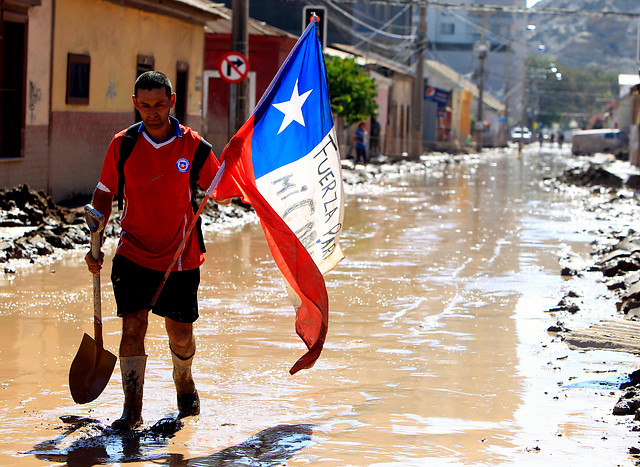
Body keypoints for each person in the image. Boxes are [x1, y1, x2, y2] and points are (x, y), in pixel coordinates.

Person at [85, 71, 227, 430]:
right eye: (145, 106)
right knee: (132, 327)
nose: (152, 112)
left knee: (180, 333)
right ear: (135, 104)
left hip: (181, 255)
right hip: (133, 251)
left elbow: (220, 187)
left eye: (159, 105)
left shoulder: (193, 146)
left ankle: (184, 384)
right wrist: (95, 243)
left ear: (172, 102)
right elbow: (102, 195)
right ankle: (132, 410)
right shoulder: (123, 144)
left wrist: (235, 163)